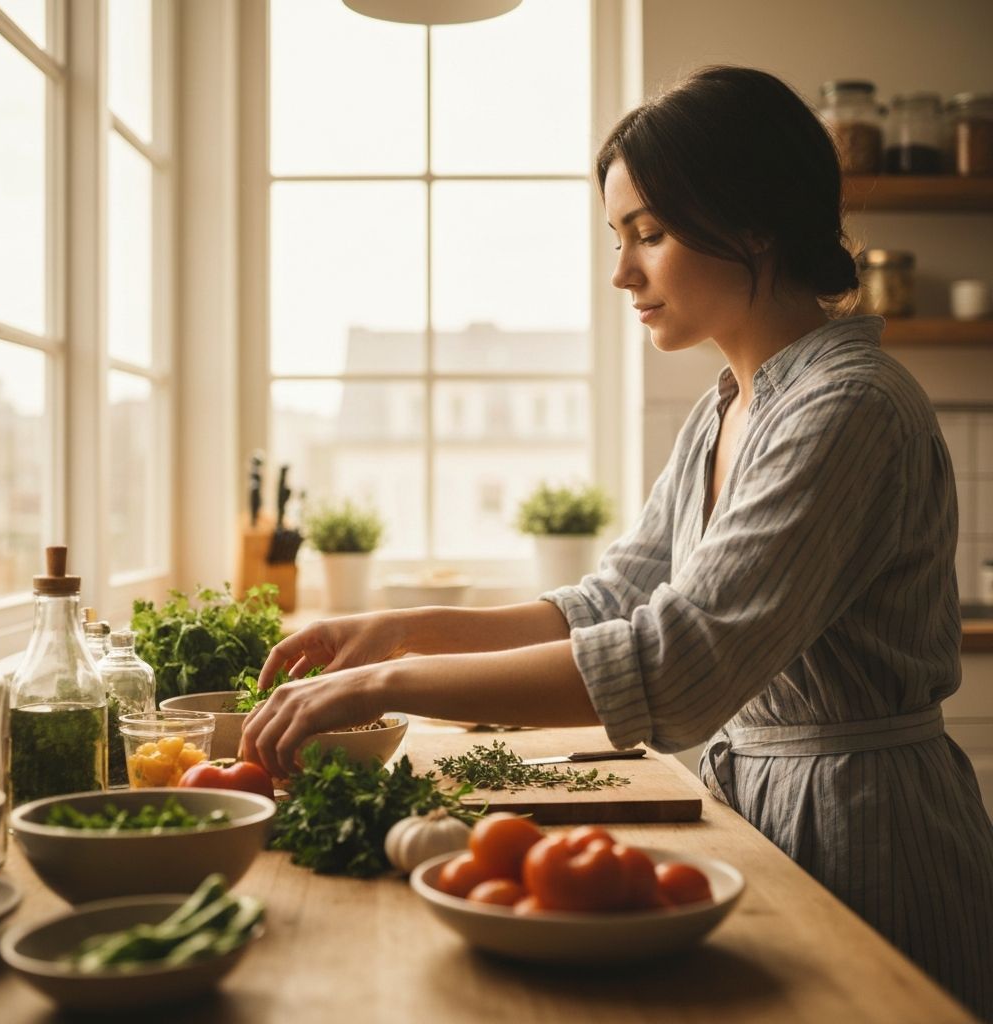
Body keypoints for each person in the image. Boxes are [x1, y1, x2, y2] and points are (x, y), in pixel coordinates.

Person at [242, 66, 993, 1019]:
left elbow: (678, 662)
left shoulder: (848, 408)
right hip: (764, 811)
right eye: (618, 238)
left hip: (866, 833)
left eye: (649, 234)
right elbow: (609, 603)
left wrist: (386, 685)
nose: (621, 273)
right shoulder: (730, 405)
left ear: (754, 223)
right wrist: (392, 633)